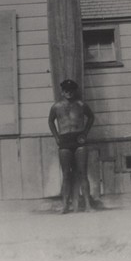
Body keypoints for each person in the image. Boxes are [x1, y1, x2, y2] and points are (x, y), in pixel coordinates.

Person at [48, 79, 95, 214]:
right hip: (64, 140)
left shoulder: (81, 105)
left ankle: (87, 205)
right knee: (66, 175)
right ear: (62, 92)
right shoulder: (56, 107)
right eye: (66, 90)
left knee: (83, 173)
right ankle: (65, 206)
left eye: (71, 90)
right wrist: (56, 137)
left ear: (75, 91)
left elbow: (91, 117)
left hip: (79, 139)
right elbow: (50, 121)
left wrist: (85, 133)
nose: (69, 93)